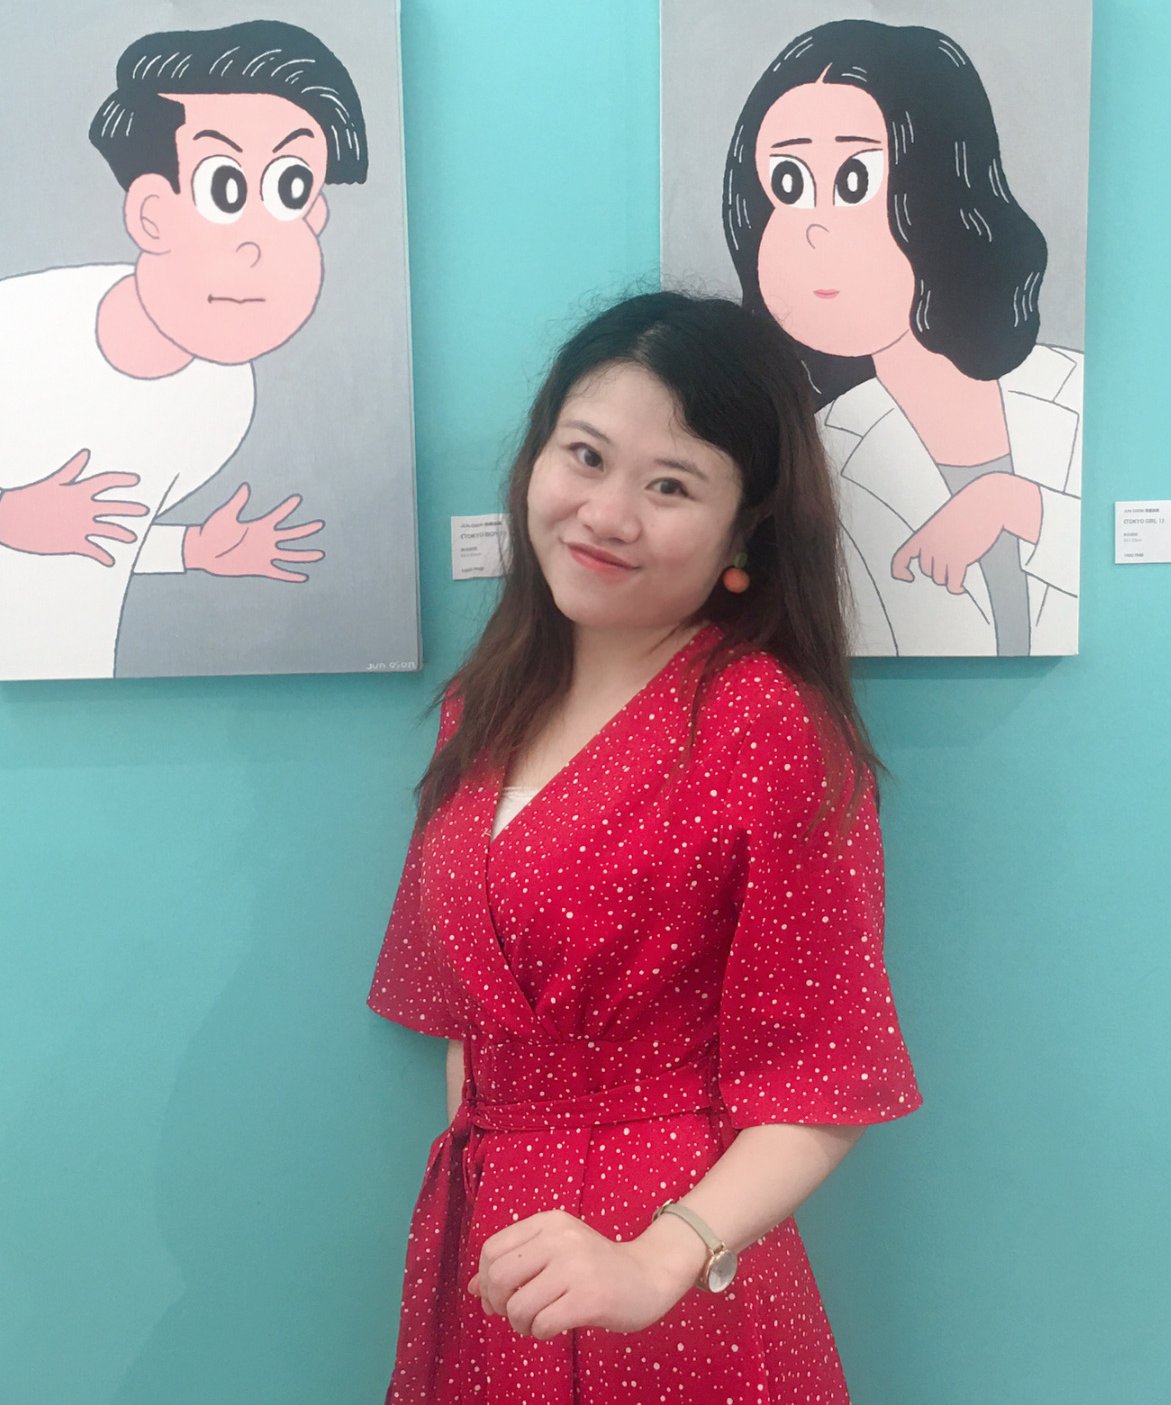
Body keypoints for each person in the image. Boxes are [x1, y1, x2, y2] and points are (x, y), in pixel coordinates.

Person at [368, 289, 923, 1403]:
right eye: (585, 456)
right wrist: (502, 1194)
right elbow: (471, 1017)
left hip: (670, 1265)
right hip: (497, 1250)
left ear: (742, 532)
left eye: (670, 485)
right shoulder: (483, 705)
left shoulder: (768, 726)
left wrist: (657, 1258)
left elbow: (824, 1077)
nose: (606, 513)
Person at [0, 20, 367, 678]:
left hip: (80, 670)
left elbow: (103, 535)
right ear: (150, 212)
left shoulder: (223, 398)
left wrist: (193, 550)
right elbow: (35, 529)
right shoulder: (20, 324)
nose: (258, 244)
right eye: (225, 189)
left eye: (291, 190)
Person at [723, 19, 1082, 657]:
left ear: (941, 192)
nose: (813, 228)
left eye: (853, 182)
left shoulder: (1072, 391)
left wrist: (1020, 506)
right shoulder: (817, 449)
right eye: (788, 185)